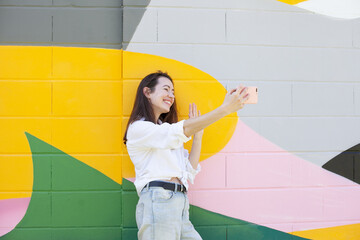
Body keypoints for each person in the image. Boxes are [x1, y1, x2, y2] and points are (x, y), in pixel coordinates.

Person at [123, 71, 249, 240]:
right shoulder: (139, 128)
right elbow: (179, 131)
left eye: (173, 92)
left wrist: (198, 135)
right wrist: (225, 109)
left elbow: (188, 170)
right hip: (159, 200)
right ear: (147, 92)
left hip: (179, 203)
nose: (171, 95)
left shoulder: (163, 129)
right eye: (166, 89)